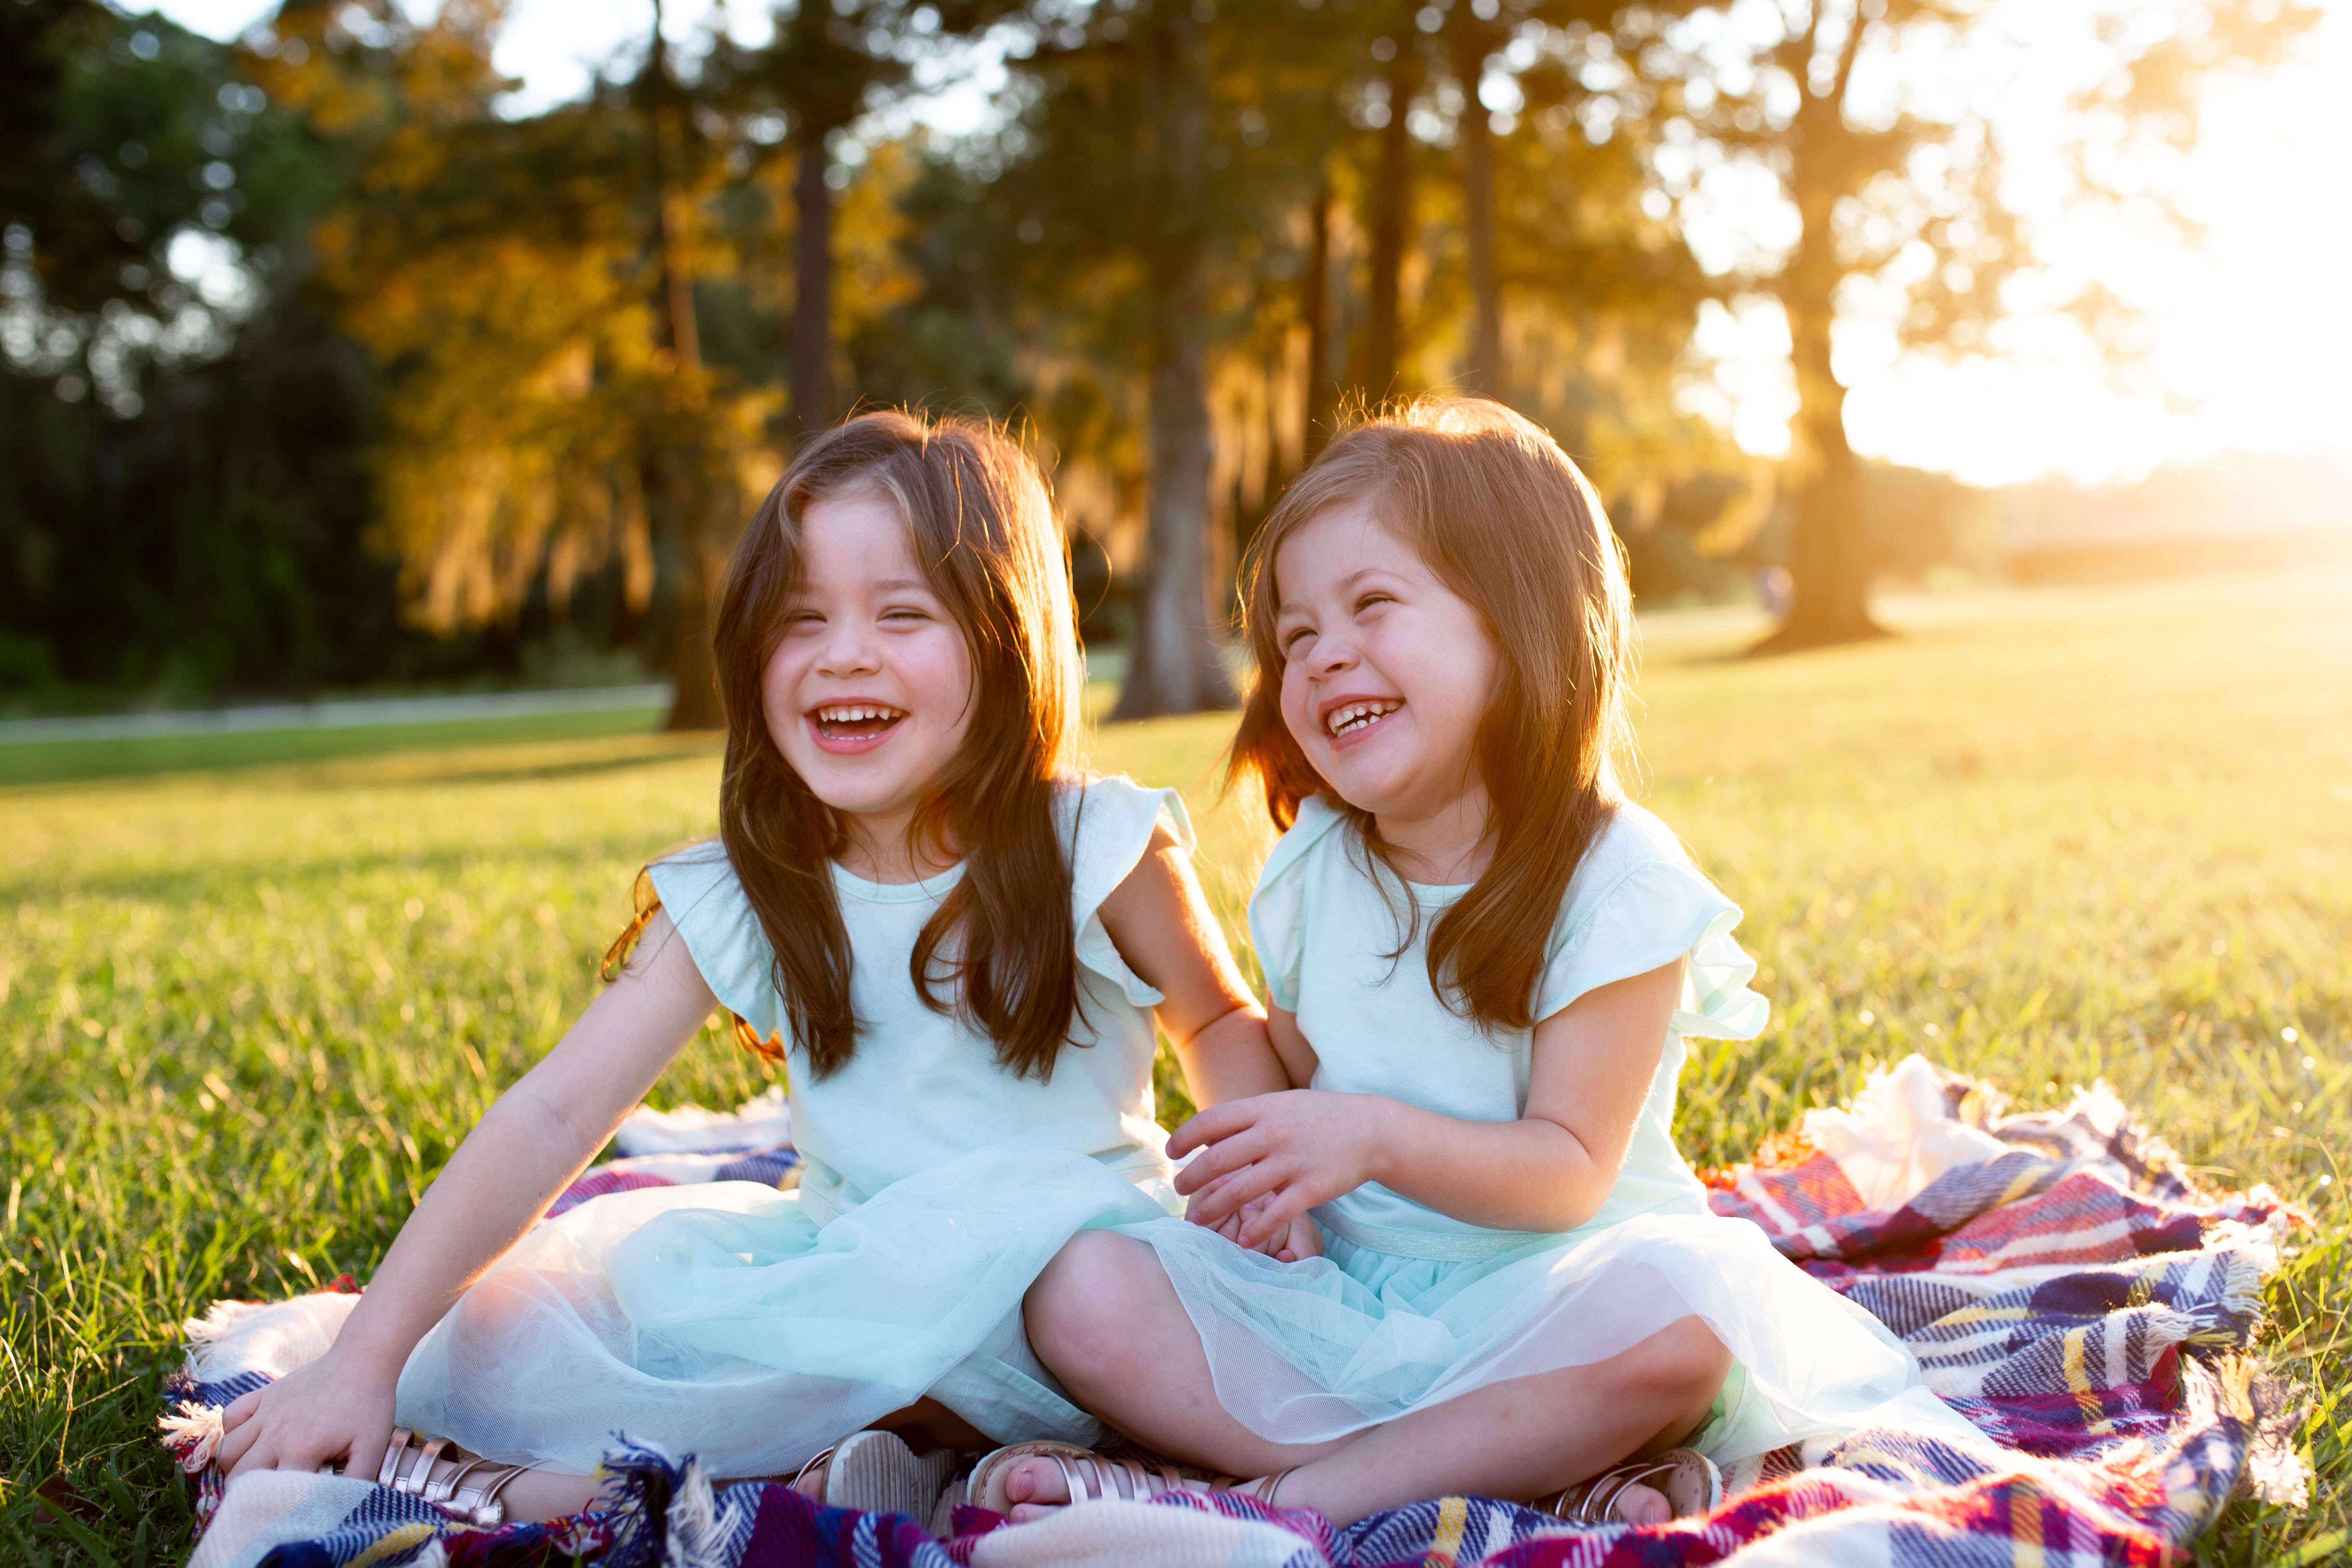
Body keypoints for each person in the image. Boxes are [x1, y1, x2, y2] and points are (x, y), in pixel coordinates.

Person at [210, 410, 1296, 1525]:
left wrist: (1266, 1203)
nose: (843, 653)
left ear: (1003, 635)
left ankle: (1123, 1464)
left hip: (1079, 1277)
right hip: (862, 1288)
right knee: (508, 1326)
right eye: (800, 619)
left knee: (1092, 1302)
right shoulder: (752, 885)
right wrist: (369, 1353)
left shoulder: (1092, 843)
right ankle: (899, 1461)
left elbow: (1216, 1022)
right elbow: (554, 1110)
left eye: (901, 612)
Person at [987, 399, 1981, 1528]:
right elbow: (1298, 1063)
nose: (1322, 657)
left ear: (1518, 626)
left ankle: (1275, 1500)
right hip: (1343, 1301)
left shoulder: (1615, 880)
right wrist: (1257, 1164)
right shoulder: (1317, 864)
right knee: (1076, 1286)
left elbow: (1568, 1167)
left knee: (1686, 1324)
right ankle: (1458, 1461)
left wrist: (1366, 1137)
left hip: (1550, 1301)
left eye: (1370, 606)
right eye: (1296, 633)